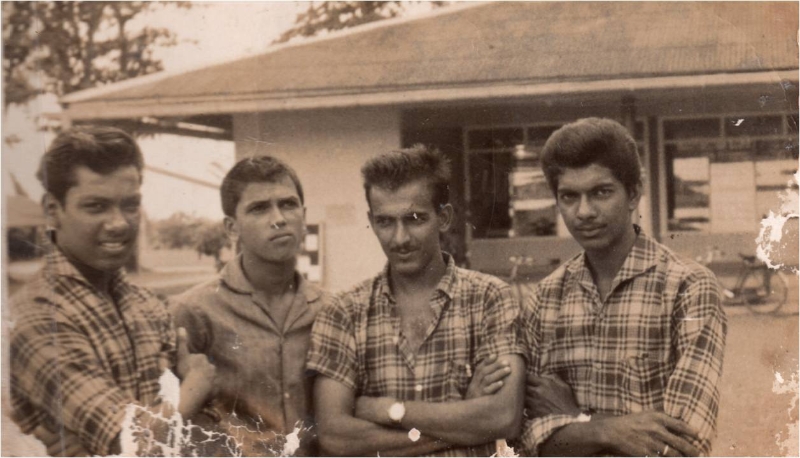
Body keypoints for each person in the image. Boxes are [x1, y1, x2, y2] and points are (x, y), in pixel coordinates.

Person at [518, 118, 727, 457]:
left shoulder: (687, 288)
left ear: (633, 193)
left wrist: (578, 421)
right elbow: (523, 439)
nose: (584, 212)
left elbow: (683, 445)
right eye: (569, 196)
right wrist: (613, 431)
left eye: (601, 192)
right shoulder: (545, 299)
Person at [9, 126, 216, 456]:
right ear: (52, 211)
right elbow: (135, 442)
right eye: (96, 206)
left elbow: (190, 431)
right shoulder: (36, 315)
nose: (119, 223)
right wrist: (196, 386)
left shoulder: (148, 305)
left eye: (130, 205)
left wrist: (106, 443)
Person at [307, 145, 526, 456]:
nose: (400, 238)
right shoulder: (343, 311)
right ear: (372, 221)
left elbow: (504, 417)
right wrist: (464, 418)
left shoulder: (490, 299)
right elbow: (335, 437)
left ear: (444, 217)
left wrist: (389, 410)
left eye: (414, 219)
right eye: (385, 222)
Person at [172, 156, 330, 456]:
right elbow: (163, 421)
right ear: (232, 228)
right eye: (259, 208)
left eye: (288, 204)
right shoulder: (194, 312)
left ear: (304, 216)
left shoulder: (330, 309)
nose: (278, 218)